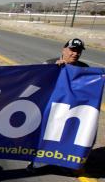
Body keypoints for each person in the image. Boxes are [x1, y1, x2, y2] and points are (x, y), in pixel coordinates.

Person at [27, 38, 88, 173]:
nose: (75, 54)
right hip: (51, 108)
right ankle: (37, 163)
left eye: (78, 51)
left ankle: (65, 162)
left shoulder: (84, 68)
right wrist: (55, 69)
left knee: (68, 135)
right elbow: (37, 83)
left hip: (71, 110)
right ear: (64, 49)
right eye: (72, 50)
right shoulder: (50, 64)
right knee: (47, 135)